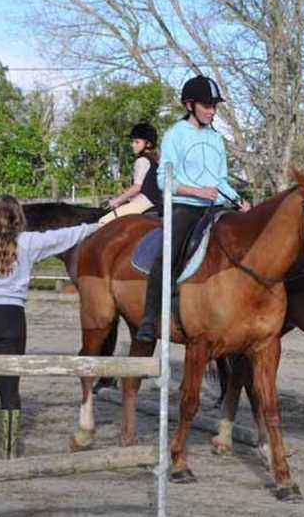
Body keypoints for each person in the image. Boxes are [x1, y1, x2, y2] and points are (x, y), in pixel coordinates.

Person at [0, 194, 98, 461]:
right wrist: (102, 223)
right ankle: (9, 452)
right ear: (18, 218)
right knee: (10, 385)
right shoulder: (26, 242)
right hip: (12, 317)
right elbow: (68, 235)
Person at [134, 74, 251, 343]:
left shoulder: (216, 139)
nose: (212, 111)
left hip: (216, 207)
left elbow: (220, 179)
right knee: (168, 254)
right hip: (185, 207)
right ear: (190, 105)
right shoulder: (175, 134)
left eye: (214, 106)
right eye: (206, 105)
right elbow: (165, 180)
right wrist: (196, 191)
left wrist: (239, 201)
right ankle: (150, 319)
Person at [99, 122, 163, 225]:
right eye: (132, 142)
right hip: (156, 203)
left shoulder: (142, 160)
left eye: (137, 142)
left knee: (103, 222)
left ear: (148, 144)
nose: (132, 145)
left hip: (143, 202)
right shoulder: (155, 160)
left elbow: (137, 187)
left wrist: (117, 200)